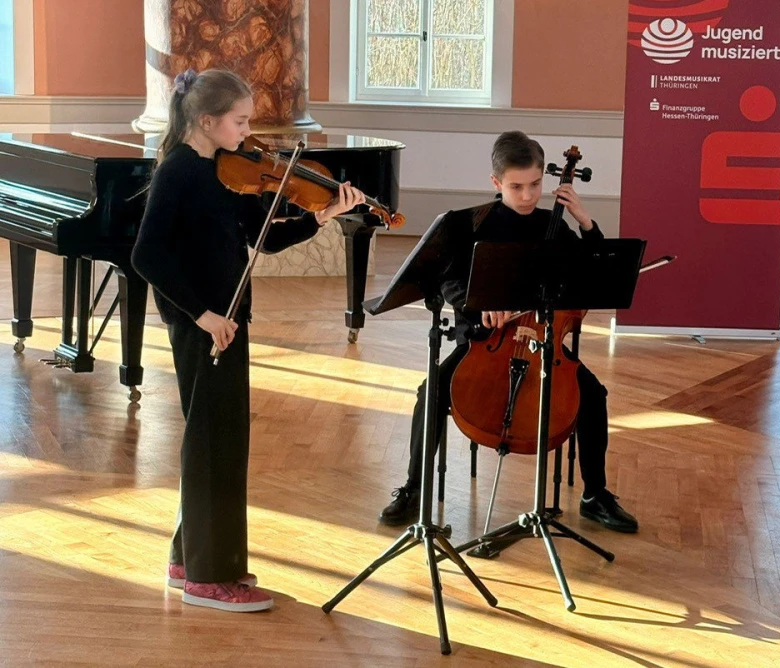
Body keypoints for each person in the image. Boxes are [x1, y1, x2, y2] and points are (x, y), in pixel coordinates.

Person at [132, 68, 366, 612]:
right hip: (205, 324)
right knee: (213, 441)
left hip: (228, 318)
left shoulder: (222, 170)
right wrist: (204, 315)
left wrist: (323, 215)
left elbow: (266, 242)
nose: (247, 130)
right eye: (239, 120)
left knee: (219, 436)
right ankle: (208, 578)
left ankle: (188, 558)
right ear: (207, 121)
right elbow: (147, 255)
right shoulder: (179, 173)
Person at [379, 130, 638, 534]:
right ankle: (414, 489)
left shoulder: (552, 225)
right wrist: (479, 305)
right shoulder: (471, 225)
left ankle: (595, 494)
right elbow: (448, 281)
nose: (529, 195)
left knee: (594, 395)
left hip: (543, 342)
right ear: (496, 183)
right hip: (482, 344)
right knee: (429, 392)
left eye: (536, 184)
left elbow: (594, 272)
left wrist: (585, 223)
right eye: (517, 187)